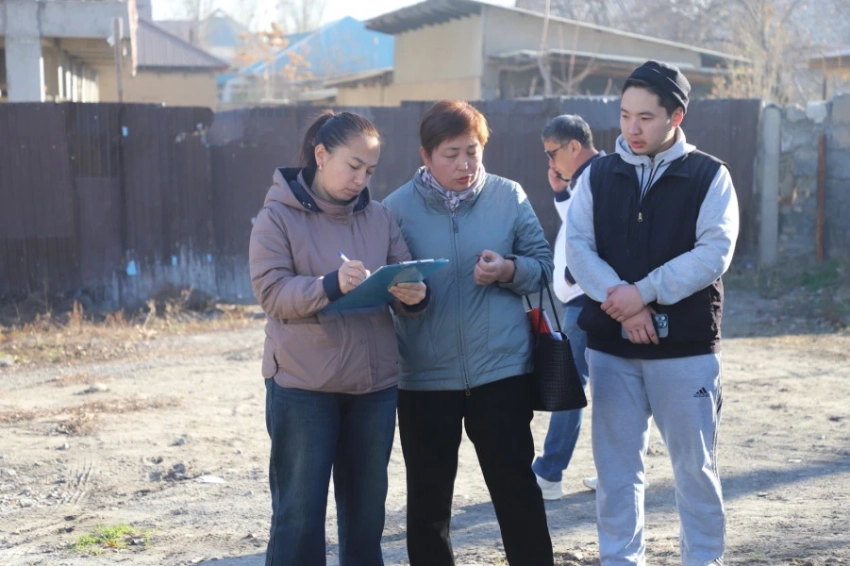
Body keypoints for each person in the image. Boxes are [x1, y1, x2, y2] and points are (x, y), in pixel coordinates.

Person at [566, 61, 739, 565]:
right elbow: (577, 247)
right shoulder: (597, 174)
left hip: (686, 350)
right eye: (625, 115)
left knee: (695, 469)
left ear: (675, 116)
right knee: (616, 472)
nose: (632, 128)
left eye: (645, 117)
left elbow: (714, 253)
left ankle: (702, 559)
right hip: (611, 350)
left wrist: (642, 293)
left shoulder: (710, 175)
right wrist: (624, 305)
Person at [249, 110, 428, 566]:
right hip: (303, 388)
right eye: (353, 166)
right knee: (299, 516)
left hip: (373, 388)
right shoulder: (276, 218)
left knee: (367, 518)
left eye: (369, 170)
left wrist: (413, 295)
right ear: (321, 155)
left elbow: (402, 274)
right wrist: (330, 284)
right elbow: (272, 294)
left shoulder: (380, 217)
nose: (360, 180)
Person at [383, 100, 555, 566]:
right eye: (451, 154)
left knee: (517, 490)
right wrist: (404, 296)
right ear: (426, 155)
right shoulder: (394, 209)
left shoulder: (508, 196)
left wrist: (508, 270)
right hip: (424, 377)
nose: (465, 164)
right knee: (428, 502)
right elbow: (384, 290)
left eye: (473, 151)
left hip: (501, 371)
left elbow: (543, 267)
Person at [533, 114, 604, 500]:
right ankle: (616, 470)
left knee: (571, 384)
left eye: (552, 153)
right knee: (611, 385)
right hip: (584, 298)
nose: (550, 161)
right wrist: (561, 194)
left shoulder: (600, 178)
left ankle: (549, 473)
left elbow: (602, 234)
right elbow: (578, 225)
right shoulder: (586, 179)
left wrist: (577, 274)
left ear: (574, 147)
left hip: (588, 300)